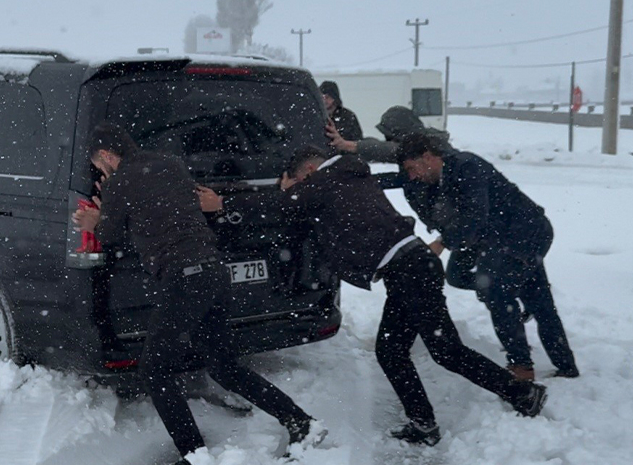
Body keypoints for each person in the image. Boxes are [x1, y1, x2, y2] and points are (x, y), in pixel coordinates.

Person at [200, 145, 546, 446]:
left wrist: (223, 203)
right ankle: (423, 424)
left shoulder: (328, 177)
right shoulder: (343, 178)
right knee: (391, 352)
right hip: (407, 270)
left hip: (411, 270)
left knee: (446, 350)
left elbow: (282, 203)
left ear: (308, 171)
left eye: (297, 181)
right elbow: (297, 208)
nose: (298, 188)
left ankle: (522, 392)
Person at [71, 123, 325, 465]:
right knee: (223, 366)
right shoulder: (170, 164)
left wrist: (95, 220)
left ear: (106, 155)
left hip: (184, 278)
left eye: (99, 165)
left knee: (155, 370)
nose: (101, 172)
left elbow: (111, 236)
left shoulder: (120, 181)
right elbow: (159, 214)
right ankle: (301, 422)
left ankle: (194, 456)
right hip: (212, 270)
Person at [393, 132, 579, 382]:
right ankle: (518, 291)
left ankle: (523, 367)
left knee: (499, 292)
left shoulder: (467, 166)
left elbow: (475, 216)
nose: (412, 176)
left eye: (412, 168)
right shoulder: (436, 174)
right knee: (458, 276)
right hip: (489, 238)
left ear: (427, 157)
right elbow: (392, 176)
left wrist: (443, 242)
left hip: (525, 233)